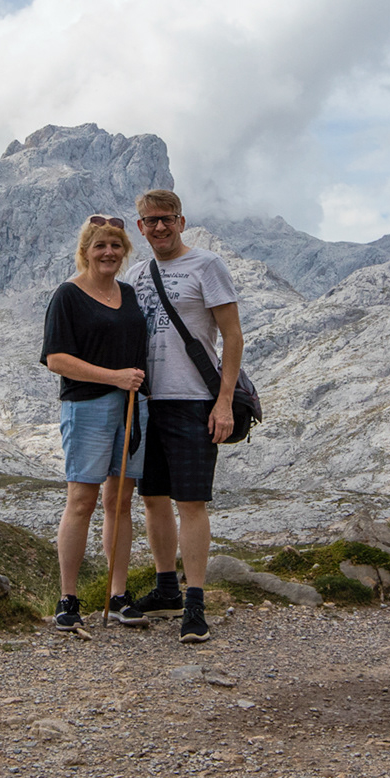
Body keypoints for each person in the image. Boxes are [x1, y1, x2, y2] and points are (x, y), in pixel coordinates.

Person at [116, 188, 242, 644]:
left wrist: (223, 402)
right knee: (152, 498)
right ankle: (166, 588)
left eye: (167, 219)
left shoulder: (207, 266)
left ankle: (195, 601)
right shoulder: (135, 273)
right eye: (150, 221)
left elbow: (232, 337)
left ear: (182, 221)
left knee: (191, 502)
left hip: (194, 401)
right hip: (149, 401)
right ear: (140, 227)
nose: (160, 227)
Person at [40, 215, 150, 631]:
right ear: (85, 250)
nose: (109, 253)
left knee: (120, 501)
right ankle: (68, 598)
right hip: (87, 407)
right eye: (100, 245)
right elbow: (57, 359)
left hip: (132, 407)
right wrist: (114, 377)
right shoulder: (68, 295)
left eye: (116, 246)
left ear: (125, 252)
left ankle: (117, 595)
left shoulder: (128, 293)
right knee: (82, 500)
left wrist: (132, 385)